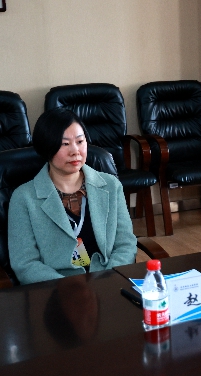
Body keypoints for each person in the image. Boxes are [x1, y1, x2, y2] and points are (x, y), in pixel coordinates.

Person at [8, 108, 137, 284]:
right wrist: (68, 288)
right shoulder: (23, 198)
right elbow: (25, 264)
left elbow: (125, 244)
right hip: (56, 289)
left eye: (80, 141)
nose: (75, 151)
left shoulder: (111, 185)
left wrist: (110, 279)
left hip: (108, 282)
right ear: (46, 147)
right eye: (65, 144)